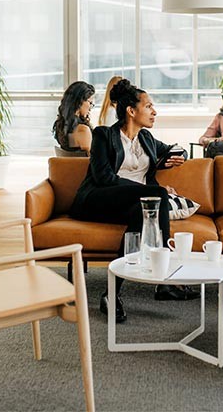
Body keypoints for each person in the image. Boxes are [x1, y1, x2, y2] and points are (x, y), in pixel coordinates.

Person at [70, 79, 197, 322]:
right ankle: (166, 280)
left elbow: (179, 149)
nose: (154, 111)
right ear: (131, 111)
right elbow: (104, 178)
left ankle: (111, 294)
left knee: (144, 211)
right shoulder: (103, 135)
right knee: (157, 195)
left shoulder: (147, 139)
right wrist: (146, 189)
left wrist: (171, 158)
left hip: (134, 204)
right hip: (96, 200)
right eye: (149, 106)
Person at [52, 81, 95, 154]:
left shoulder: (60, 125)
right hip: (82, 165)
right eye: (90, 102)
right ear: (79, 101)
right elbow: (93, 160)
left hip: (69, 165)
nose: (90, 108)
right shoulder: (82, 130)